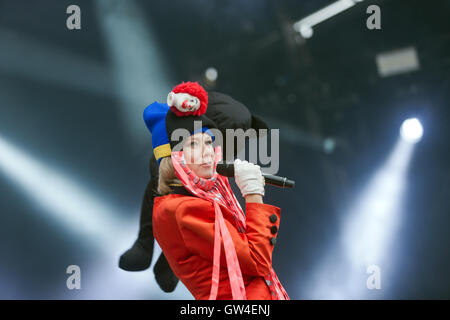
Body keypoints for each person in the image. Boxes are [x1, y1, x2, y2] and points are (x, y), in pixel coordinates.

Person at [143, 82, 289, 300]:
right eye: (193, 144)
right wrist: (253, 195)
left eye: (209, 142)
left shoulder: (203, 197)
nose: (207, 153)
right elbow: (257, 261)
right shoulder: (182, 210)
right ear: (174, 159)